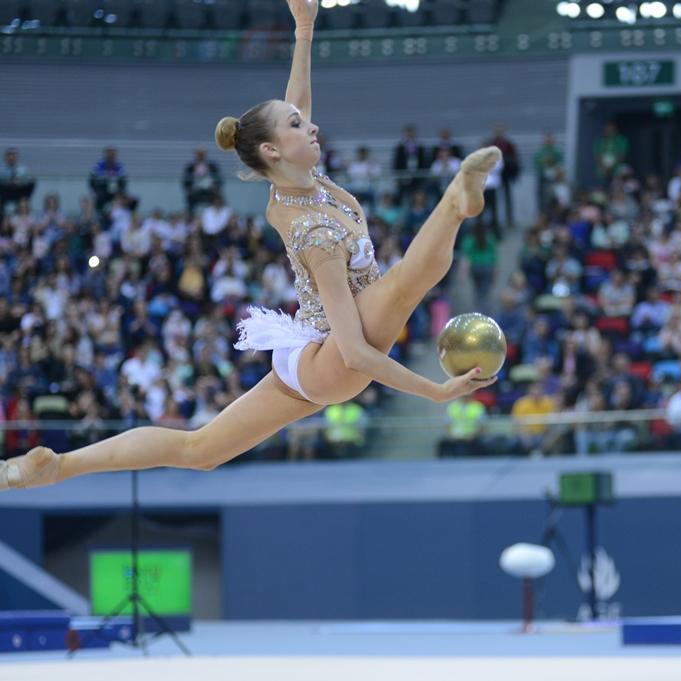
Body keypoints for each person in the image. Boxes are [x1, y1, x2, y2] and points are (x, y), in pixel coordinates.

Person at [0, 0, 500, 491]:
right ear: (273, 150)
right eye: (299, 126)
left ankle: (58, 466)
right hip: (333, 361)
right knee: (403, 285)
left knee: (200, 450)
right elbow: (354, 354)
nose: (312, 124)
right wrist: (434, 392)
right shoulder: (313, 233)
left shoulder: (298, 180)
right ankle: (455, 201)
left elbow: (295, 101)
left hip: (304, 347)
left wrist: (304, 31)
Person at [182, 147, 223, 214]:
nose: (200, 156)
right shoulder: (190, 166)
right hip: (195, 190)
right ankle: (190, 217)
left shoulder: (212, 166)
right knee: (189, 199)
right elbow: (185, 180)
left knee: (219, 198)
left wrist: (216, 187)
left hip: (210, 189)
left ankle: (219, 215)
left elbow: (218, 178)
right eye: (199, 154)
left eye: (202, 154)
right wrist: (188, 189)